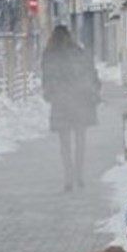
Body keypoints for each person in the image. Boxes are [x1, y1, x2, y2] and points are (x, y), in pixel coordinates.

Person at [41, 25, 101, 192]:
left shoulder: (49, 55)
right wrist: (93, 90)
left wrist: (50, 94)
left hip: (60, 103)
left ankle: (68, 178)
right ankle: (79, 176)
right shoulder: (78, 52)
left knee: (64, 143)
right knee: (80, 141)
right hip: (80, 101)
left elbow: (47, 78)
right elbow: (90, 73)